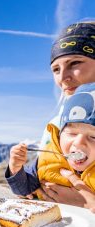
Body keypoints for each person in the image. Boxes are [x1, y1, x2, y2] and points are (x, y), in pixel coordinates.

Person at [30, 21, 95, 205]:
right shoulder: (56, 124)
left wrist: (87, 203)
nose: (62, 78)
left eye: (75, 63)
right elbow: (40, 171)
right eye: (56, 69)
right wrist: (30, 186)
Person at [6, 83, 95, 210]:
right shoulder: (49, 158)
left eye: (93, 137)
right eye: (72, 133)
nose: (78, 142)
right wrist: (15, 168)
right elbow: (24, 189)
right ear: (59, 134)